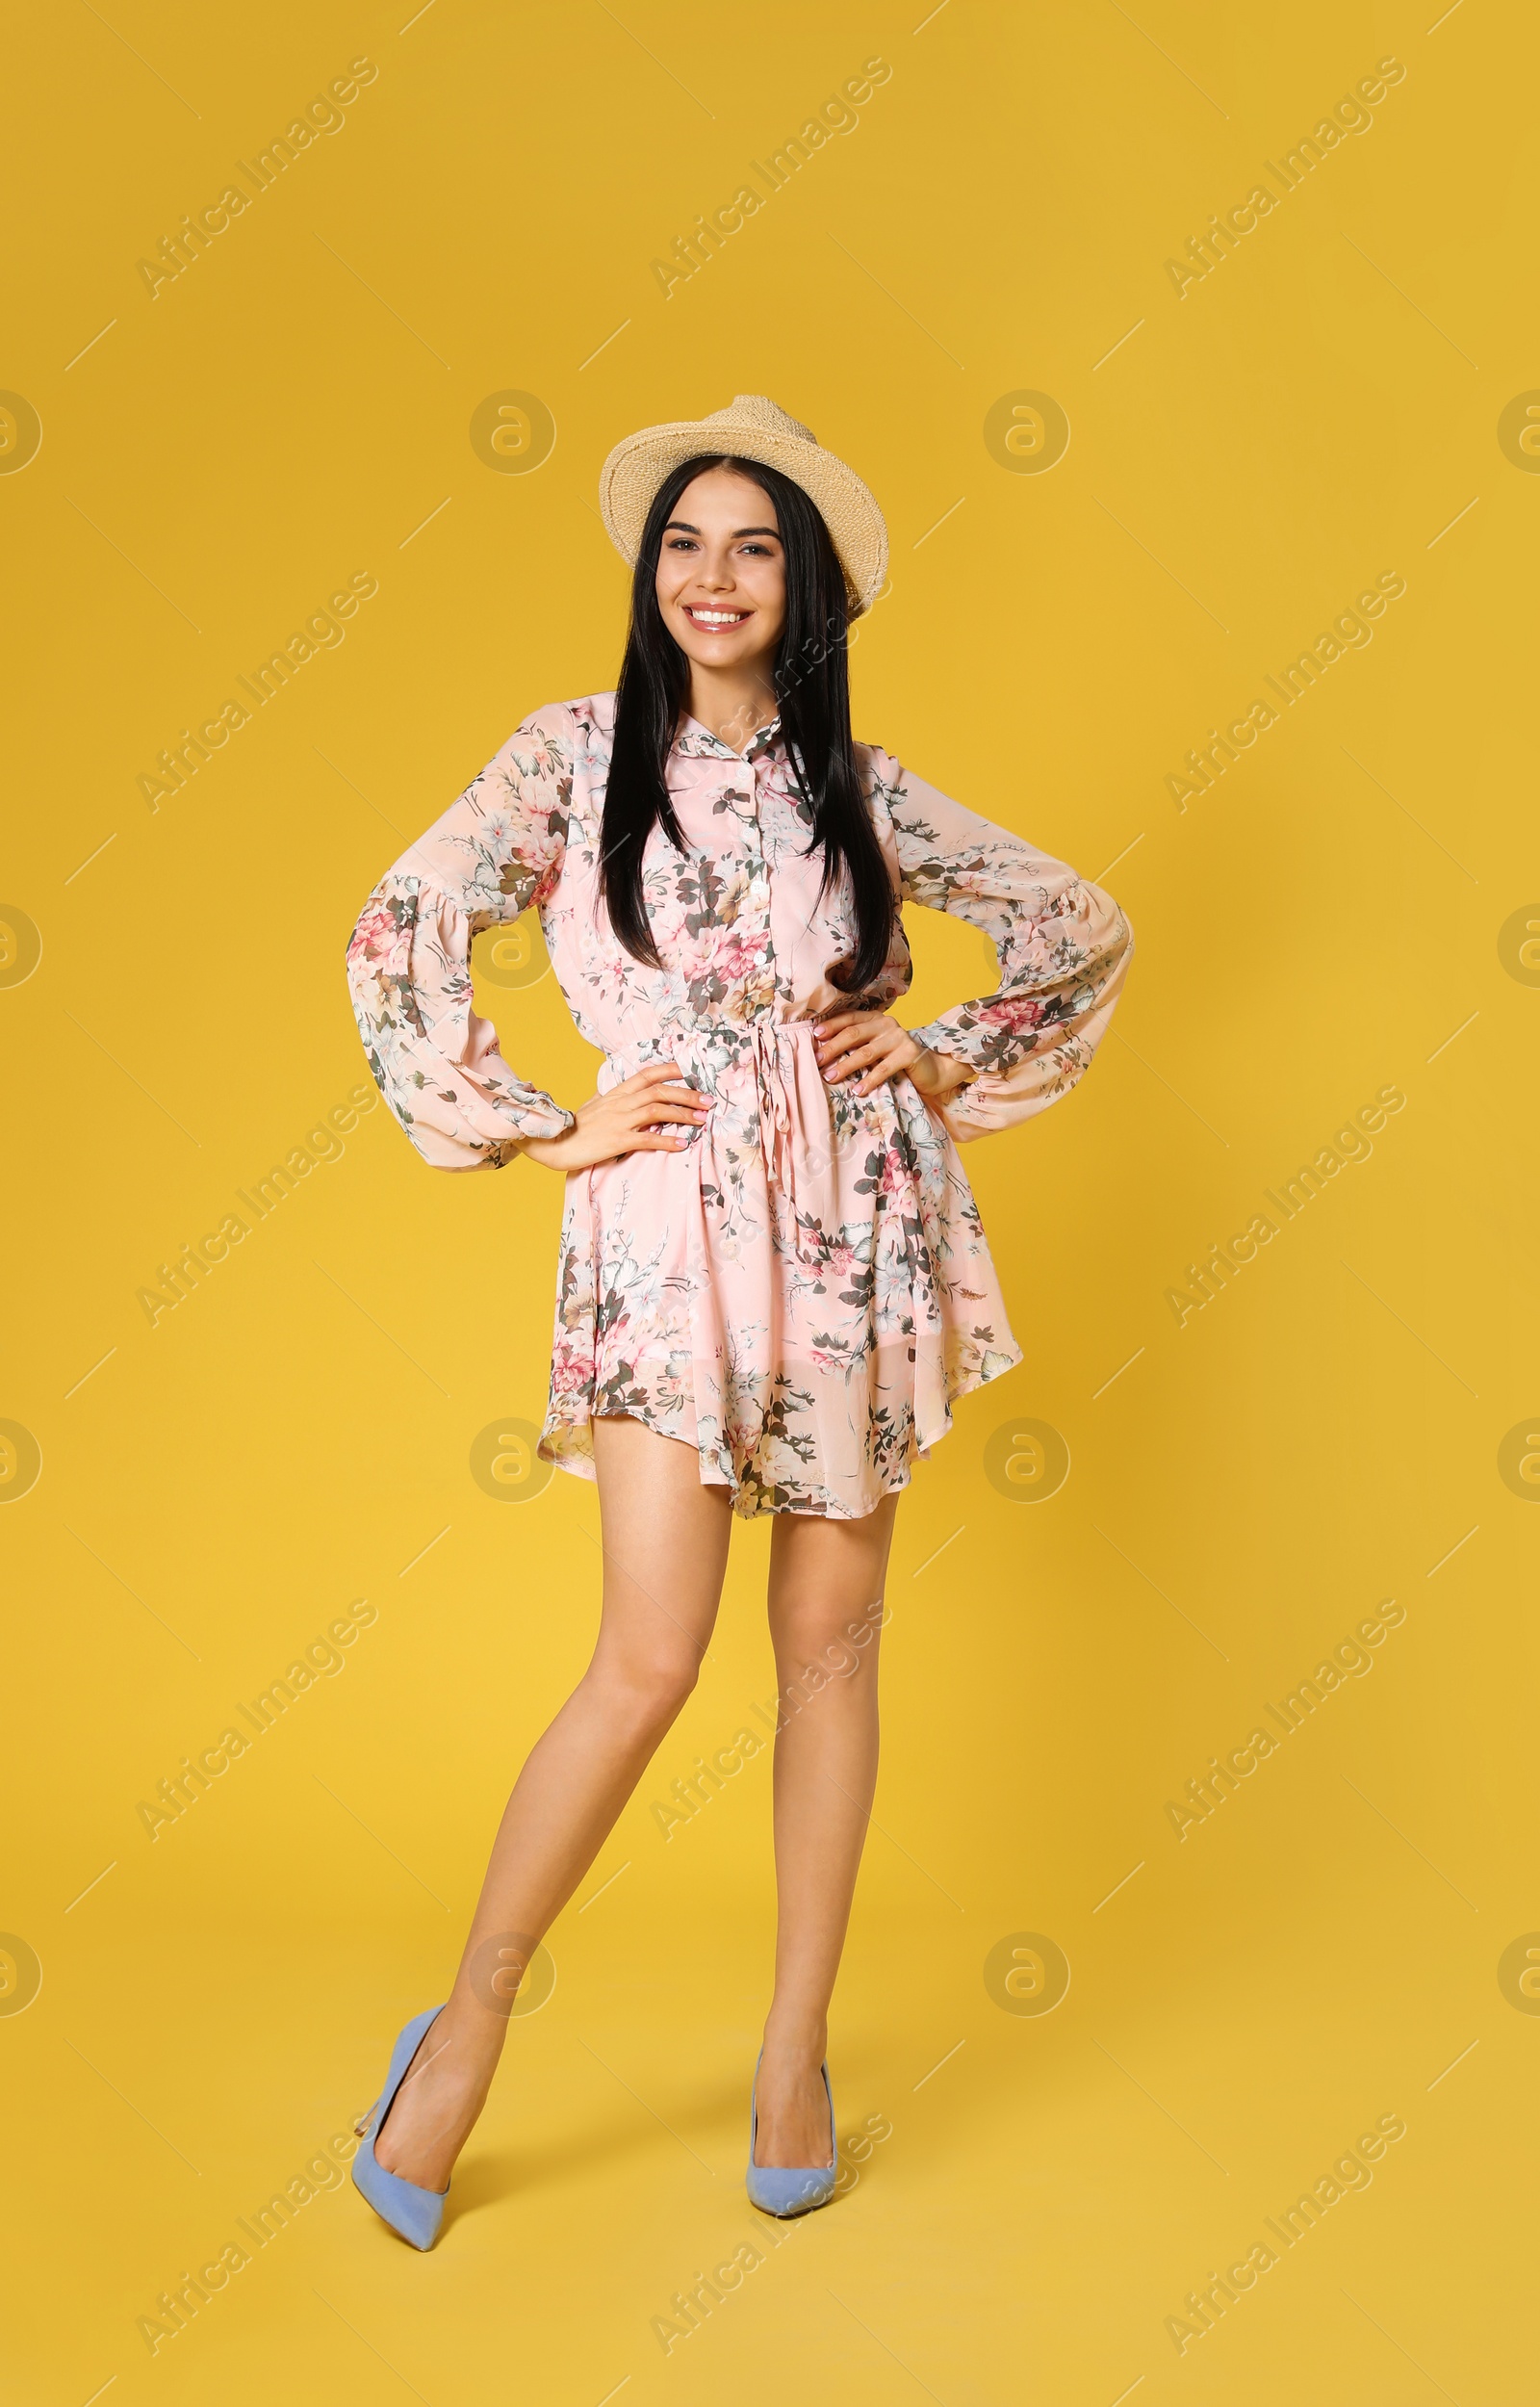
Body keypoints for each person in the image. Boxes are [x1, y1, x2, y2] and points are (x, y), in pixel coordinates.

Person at [343, 394, 1133, 2247]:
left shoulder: (857, 782)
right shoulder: (570, 754)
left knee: (834, 1648)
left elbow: (1075, 918)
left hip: (853, 1218)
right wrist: (542, 1119)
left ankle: (794, 2051)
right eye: (685, 542)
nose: (713, 576)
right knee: (648, 1657)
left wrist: (930, 1059)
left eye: (753, 545)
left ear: (809, 585)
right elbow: (402, 920)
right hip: (666, 1225)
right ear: (651, 574)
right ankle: (463, 2032)